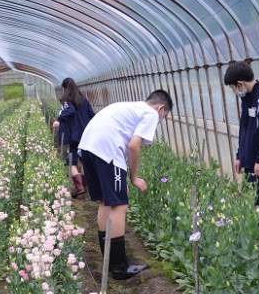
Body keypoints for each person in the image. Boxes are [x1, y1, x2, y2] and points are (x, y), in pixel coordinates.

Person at [78, 89, 173, 280]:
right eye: (164, 116)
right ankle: (120, 267)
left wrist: (120, 177)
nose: (160, 120)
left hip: (87, 146)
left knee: (106, 202)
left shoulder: (128, 106)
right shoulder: (150, 114)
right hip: (107, 151)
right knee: (120, 206)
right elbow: (133, 146)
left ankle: (110, 262)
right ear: (161, 108)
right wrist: (134, 177)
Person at [223, 61, 259, 207]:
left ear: (240, 84)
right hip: (249, 161)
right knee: (252, 202)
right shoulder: (246, 98)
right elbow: (245, 129)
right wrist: (239, 156)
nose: (233, 91)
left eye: (232, 87)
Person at [52, 78, 96, 197]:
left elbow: (70, 111)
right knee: (84, 159)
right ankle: (86, 185)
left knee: (71, 160)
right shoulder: (84, 100)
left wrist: (59, 120)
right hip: (85, 135)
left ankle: (79, 186)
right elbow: (92, 115)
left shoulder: (68, 100)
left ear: (65, 88)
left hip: (74, 135)